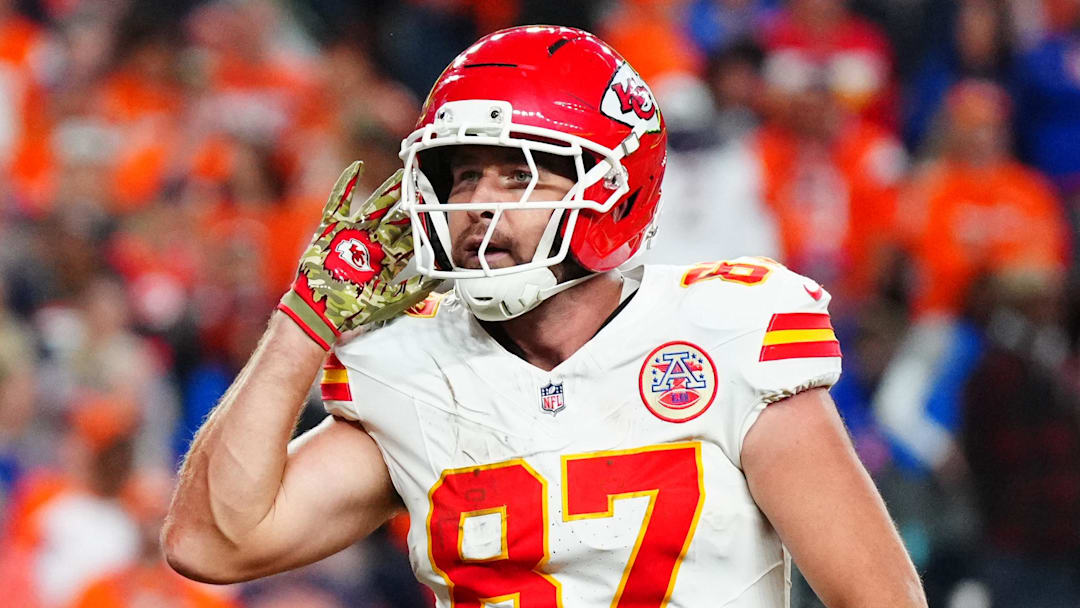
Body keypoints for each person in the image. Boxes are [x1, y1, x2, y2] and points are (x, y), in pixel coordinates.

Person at [163, 25, 926, 607]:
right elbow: (211, 543)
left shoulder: (723, 334)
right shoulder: (416, 370)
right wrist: (304, 322)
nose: (477, 205)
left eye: (516, 174)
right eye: (464, 176)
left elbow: (881, 600)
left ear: (614, 189)